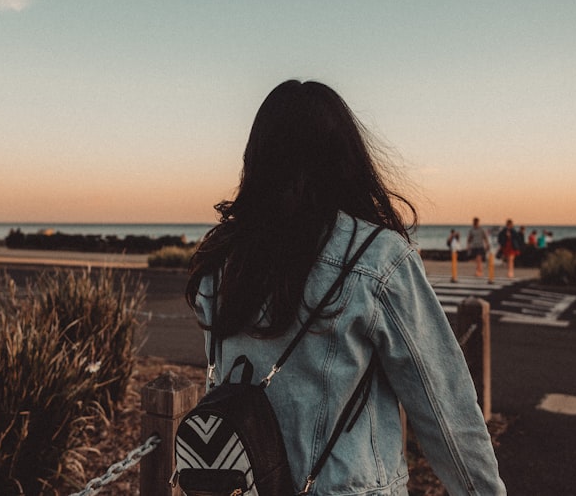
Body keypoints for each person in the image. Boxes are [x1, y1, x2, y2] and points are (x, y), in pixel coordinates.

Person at [186, 80, 505, 496]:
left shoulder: (223, 257)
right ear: (346, 157)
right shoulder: (376, 257)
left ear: (258, 158)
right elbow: (445, 410)